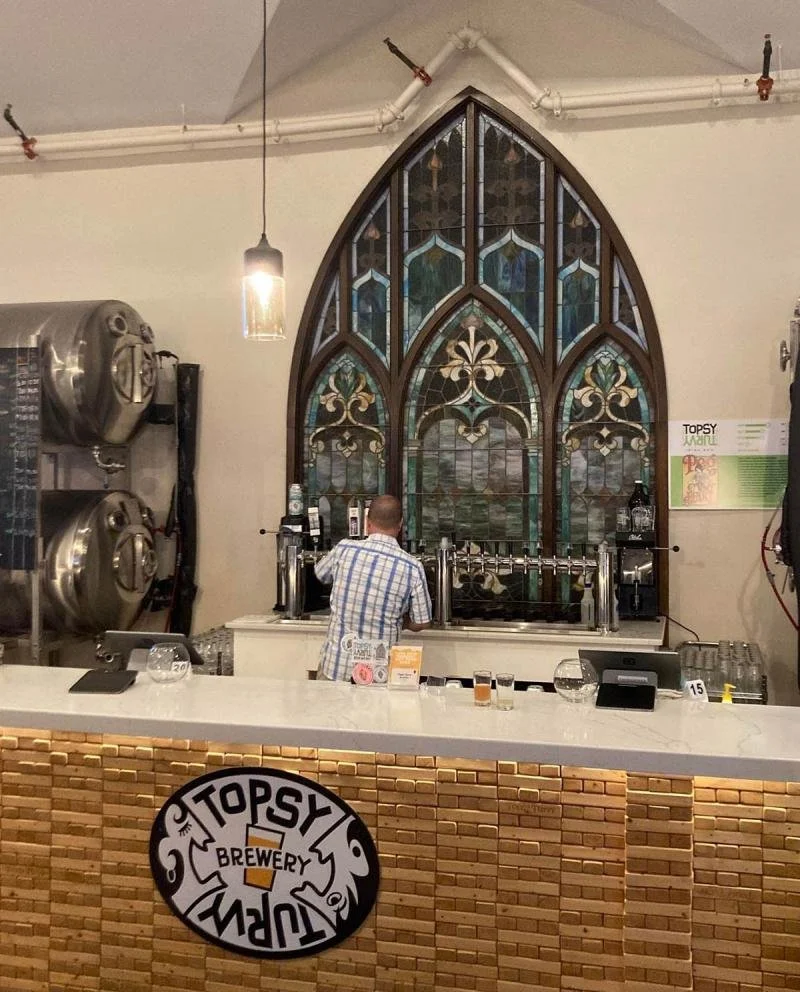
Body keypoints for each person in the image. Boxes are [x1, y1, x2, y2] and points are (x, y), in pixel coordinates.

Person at [314, 494, 432, 681]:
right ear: (400, 526)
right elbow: (423, 622)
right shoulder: (412, 567)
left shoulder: (344, 549)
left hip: (334, 669)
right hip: (378, 676)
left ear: (367, 522)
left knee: (327, 711)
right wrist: (401, 620)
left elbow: (320, 573)